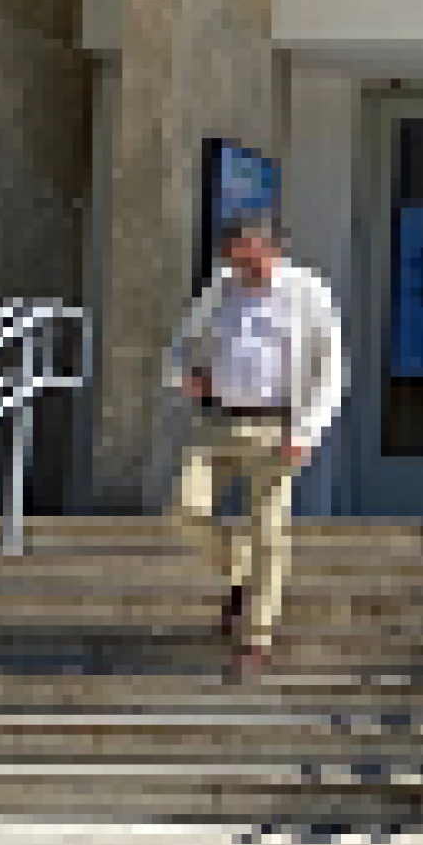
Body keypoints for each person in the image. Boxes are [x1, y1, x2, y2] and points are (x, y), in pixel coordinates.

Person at [165, 214, 347, 683]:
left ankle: (256, 640)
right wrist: (188, 374)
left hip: (275, 428)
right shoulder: (221, 288)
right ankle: (241, 572)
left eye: (249, 260)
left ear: (272, 251)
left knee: (268, 530)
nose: (241, 269)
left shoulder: (307, 292)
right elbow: (184, 341)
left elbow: (328, 368)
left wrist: (305, 431)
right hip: (219, 422)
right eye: (234, 260)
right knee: (187, 508)